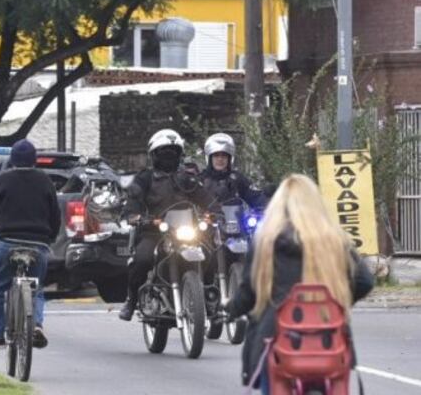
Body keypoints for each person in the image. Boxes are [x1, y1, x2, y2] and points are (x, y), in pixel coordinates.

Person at [226, 174, 374, 393]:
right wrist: (336, 302)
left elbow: (249, 291)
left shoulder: (266, 241)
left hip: (276, 338)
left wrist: (231, 309)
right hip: (328, 338)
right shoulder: (334, 240)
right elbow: (365, 280)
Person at [118, 129, 214, 321]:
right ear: (154, 156)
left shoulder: (187, 178)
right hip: (154, 231)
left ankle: (208, 298)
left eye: (173, 153)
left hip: (185, 230)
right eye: (163, 153)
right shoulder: (145, 178)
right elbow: (132, 202)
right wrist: (135, 216)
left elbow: (207, 199)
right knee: (143, 259)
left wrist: (213, 213)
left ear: (179, 155)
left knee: (209, 252)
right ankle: (132, 298)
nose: (168, 157)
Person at [0, 139, 61, 350]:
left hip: (7, 243)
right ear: (35, 160)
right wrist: (49, 238)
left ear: (12, 160)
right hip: (38, 244)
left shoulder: (3, 181)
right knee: (37, 288)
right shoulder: (45, 181)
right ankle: (37, 324)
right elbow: (55, 216)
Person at [200, 133, 268, 211]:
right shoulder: (200, 179)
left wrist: (264, 206)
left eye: (224, 156)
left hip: (235, 221)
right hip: (205, 221)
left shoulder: (237, 178)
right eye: (216, 155)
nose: (220, 159)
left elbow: (255, 197)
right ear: (209, 158)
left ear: (229, 159)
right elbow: (188, 201)